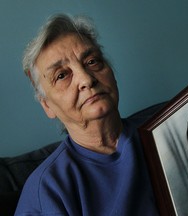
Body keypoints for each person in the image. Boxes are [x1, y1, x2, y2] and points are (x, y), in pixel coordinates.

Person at [14, 14, 158, 215]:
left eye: (91, 61)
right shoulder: (46, 192)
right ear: (47, 105)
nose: (86, 80)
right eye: (62, 75)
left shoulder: (164, 127)